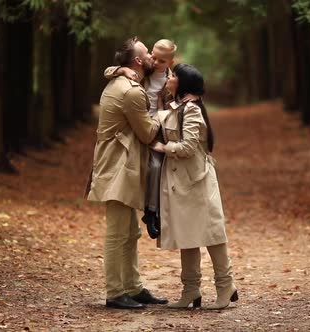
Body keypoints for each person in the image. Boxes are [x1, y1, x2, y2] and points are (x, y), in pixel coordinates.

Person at [85, 37, 168, 310]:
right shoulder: (131, 91)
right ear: (136, 62)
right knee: (117, 233)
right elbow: (146, 133)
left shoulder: (121, 81)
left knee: (131, 232)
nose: (151, 59)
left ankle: (133, 287)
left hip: (121, 166)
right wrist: (164, 115)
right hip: (118, 168)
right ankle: (114, 292)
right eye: (147, 54)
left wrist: (116, 69)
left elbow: (111, 70)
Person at [152, 64, 238, 310]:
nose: (168, 77)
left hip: (196, 180)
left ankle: (226, 286)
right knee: (186, 234)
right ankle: (191, 290)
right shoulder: (177, 105)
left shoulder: (191, 110)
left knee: (212, 233)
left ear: (183, 84)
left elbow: (188, 146)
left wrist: (164, 148)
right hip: (181, 181)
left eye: (173, 75)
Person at [103, 39, 177, 239]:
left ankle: (158, 210)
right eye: (152, 55)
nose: (154, 61)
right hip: (143, 122)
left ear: (169, 62)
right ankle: (150, 209)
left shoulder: (172, 78)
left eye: (161, 60)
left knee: (161, 166)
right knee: (151, 165)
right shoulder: (143, 73)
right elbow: (108, 70)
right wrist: (121, 71)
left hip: (161, 126)